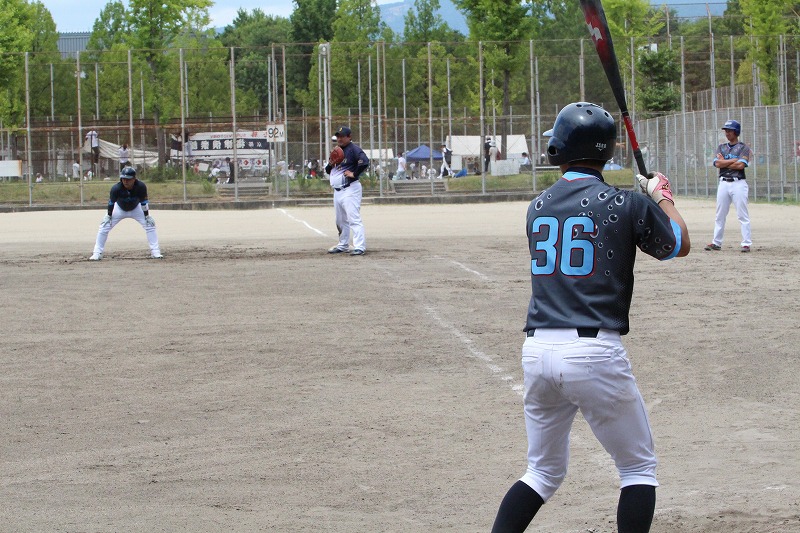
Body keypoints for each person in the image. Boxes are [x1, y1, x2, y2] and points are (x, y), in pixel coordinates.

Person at [490, 102, 691, 533]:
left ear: (559, 149)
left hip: (537, 350)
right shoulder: (626, 203)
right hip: (593, 352)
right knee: (637, 469)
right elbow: (677, 244)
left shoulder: (538, 205)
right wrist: (661, 197)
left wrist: (643, 202)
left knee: (541, 472)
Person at [89, 166, 163, 261]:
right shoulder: (116, 188)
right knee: (104, 226)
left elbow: (144, 202)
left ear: (134, 179)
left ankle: (155, 252)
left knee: (150, 225)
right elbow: (111, 203)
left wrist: (147, 215)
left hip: (136, 208)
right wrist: (109, 215)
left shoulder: (141, 186)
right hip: (119, 208)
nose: (125, 181)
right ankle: (97, 253)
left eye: (128, 179)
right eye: (123, 179)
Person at [705, 119, 753, 253]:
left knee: (742, 215)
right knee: (719, 215)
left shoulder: (744, 147)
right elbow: (717, 164)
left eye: (730, 130)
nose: (727, 133)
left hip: (738, 184)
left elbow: (741, 165)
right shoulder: (721, 147)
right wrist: (733, 160)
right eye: (726, 130)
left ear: (736, 132)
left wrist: (724, 162)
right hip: (723, 183)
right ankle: (716, 242)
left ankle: (746, 243)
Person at [325, 125, 369, 256]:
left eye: (342, 136)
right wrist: (331, 163)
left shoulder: (354, 149)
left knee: (353, 218)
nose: (339, 139)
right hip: (337, 191)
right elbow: (327, 170)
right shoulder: (337, 151)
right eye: (338, 136)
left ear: (349, 137)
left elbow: (364, 162)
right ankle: (343, 245)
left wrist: (354, 174)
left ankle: (360, 246)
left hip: (350, 189)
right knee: (340, 220)